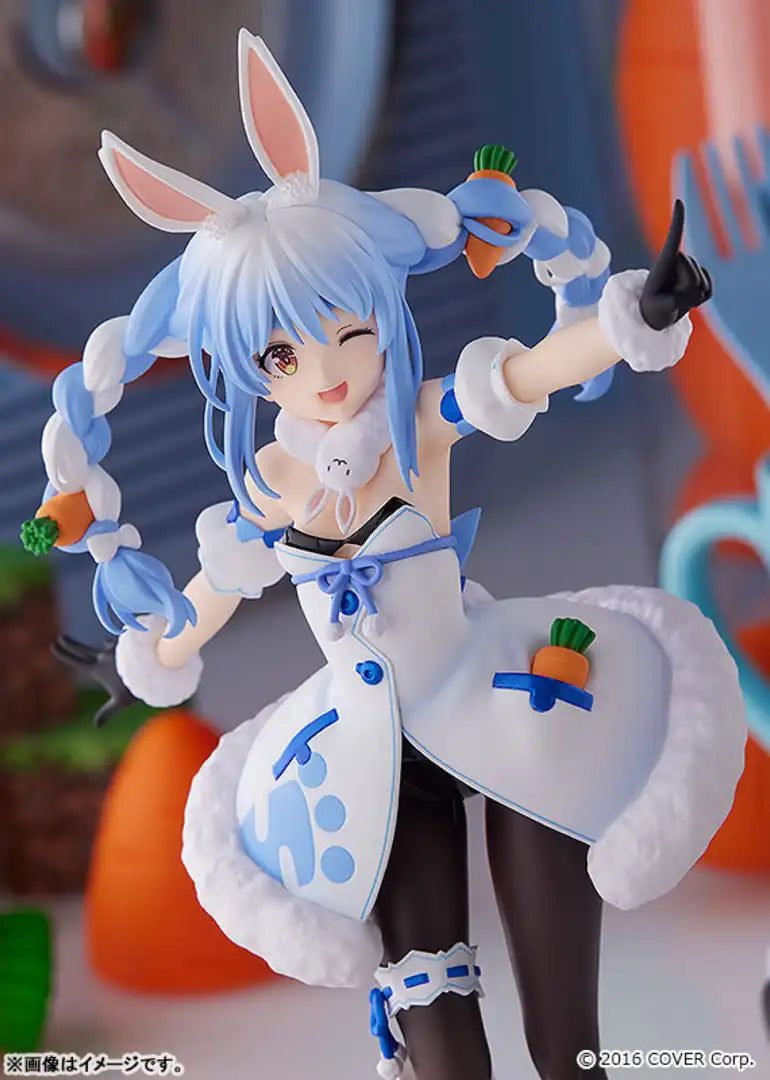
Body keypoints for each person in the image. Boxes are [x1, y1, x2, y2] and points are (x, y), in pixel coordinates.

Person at [28, 31, 745, 1080]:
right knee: (430, 1009)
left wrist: (630, 317)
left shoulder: (415, 427)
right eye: (281, 352)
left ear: (379, 299)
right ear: (245, 367)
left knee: (566, 1020)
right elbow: (206, 597)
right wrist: (149, 649)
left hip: (492, 693)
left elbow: (526, 375)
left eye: (345, 326)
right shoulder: (268, 487)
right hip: (363, 755)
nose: (322, 372)